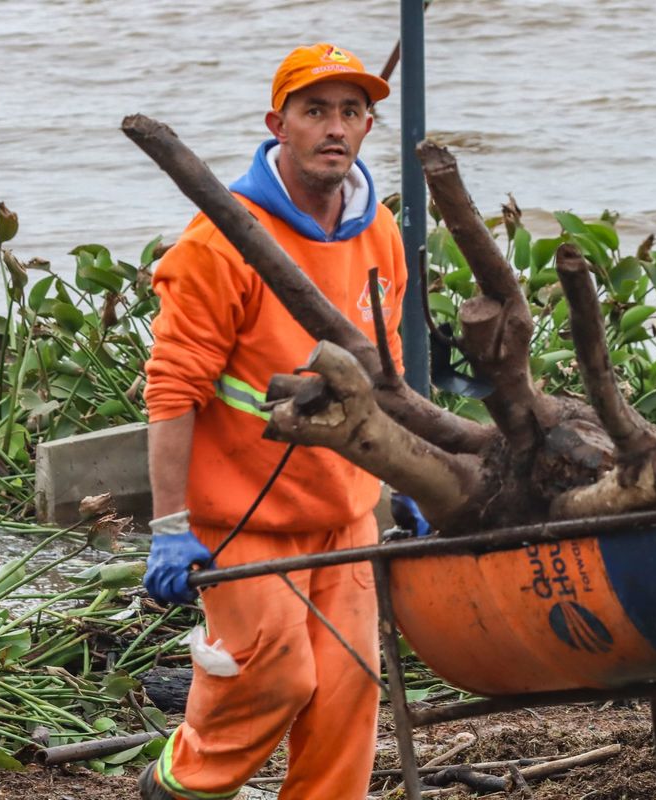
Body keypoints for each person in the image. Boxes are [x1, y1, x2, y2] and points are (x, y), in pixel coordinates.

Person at [138, 42, 415, 799]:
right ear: (278, 124)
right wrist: (169, 527)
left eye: (351, 112)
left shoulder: (379, 232)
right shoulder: (219, 242)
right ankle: (176, 784)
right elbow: (171, 392)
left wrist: (413, 471)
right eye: (315, 110)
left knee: (349, 693)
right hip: (241, 516)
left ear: (366, 127)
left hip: (344, 511)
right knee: (275, 674)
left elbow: (385, 375)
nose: (335, 127)